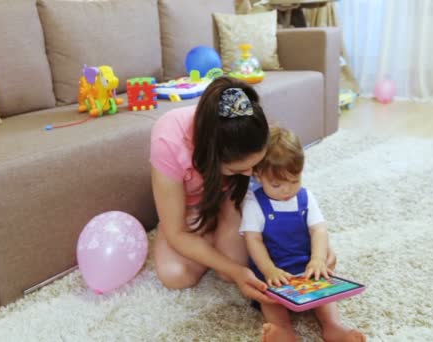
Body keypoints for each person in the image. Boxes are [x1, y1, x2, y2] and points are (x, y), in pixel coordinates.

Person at [149, 77, 336, 308]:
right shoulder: (168, 139)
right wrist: (237, 271)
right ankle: (191, 227)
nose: (250, 175)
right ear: (212, 156)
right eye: (238, 169)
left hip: (230, 199)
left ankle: (210, 232)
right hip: (190, 206)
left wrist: (316, 249)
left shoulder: (247, 125)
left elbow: (276, 186)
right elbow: (177, 233)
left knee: (230, 270)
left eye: (254, 166)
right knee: (176, 275)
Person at [241, 127, 365, 342]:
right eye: (277, 184)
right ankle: (283, 331)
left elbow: (318, 229)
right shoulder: (254, 202)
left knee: (325, 297)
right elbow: (253, 239)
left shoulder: (306, 197)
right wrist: (269, 269)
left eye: (294, 181)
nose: (287, 191)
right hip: (274, 272)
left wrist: (317, 260)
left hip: (305, 267)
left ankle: (333, 328)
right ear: (258, 175)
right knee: (270, 301)